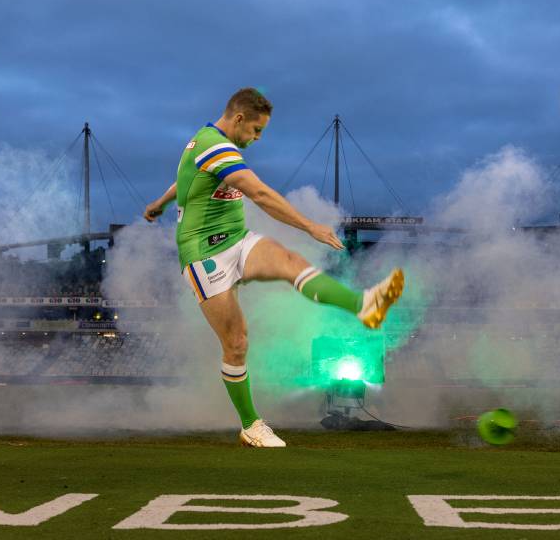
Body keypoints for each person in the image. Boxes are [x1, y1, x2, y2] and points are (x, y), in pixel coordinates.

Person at [143, 87, 404, 447]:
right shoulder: (214, 145)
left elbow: (185, 178)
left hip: (236, 238)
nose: (257, 139)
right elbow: (261, 195)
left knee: (289, 262)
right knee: (236, 343)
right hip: (204, 253)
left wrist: (158, 202)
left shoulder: (205, 147)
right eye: (255, 130)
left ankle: (365, 306)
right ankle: (251, 424)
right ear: (238, 119)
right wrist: (310, 226)